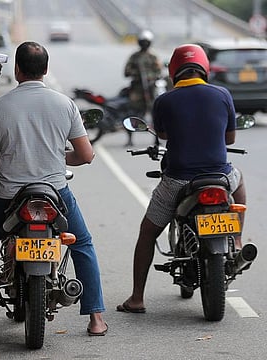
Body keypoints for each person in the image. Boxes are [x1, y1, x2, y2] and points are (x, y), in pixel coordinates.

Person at [0, 41, 108, 342]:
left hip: (8, 197)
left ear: (17, 70)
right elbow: (85, 155)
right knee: (82, 244)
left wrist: (0, 160)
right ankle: (96, 318)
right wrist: (58, 158)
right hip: (55, 193)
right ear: (45, 70)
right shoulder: (65, 105)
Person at [116, 44, 246, 314]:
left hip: (179, 180)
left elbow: (162, 136)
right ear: (205, 68)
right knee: (240, 181)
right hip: (220, 176)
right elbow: (230, 139)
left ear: (174, 71)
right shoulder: (222, 94)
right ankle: (236, 240)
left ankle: (137, 298)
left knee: (148, 233)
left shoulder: (164, 100)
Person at [124, 30, 161, 146]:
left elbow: (159, 72)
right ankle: (130, 139)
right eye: (143, 42)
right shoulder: (134, 57)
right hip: (137, 89)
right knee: (132, 113)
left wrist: (150, 77)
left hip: (151, 89)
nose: (144, 44)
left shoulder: (153, 57)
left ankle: (157, 140)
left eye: (146, 42)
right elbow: (126, 72)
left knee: (156, 114)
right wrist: (137, 73)